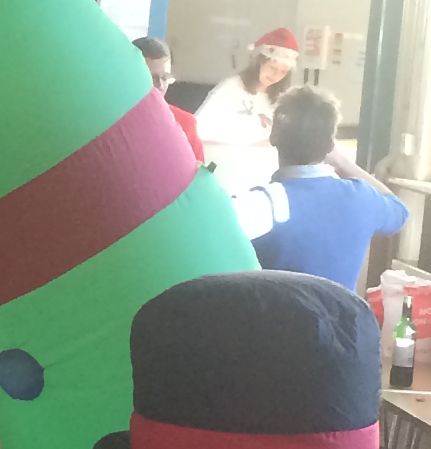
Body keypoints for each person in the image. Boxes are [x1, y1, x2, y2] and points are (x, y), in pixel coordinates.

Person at [232, 86, 411, 295]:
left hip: (276, 315)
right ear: (330, 145)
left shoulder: (258, 203)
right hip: (343, 316)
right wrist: (342, 162)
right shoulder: (362, 196)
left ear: (273, 136)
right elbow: (399, 210)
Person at [193, 25, 301, 192]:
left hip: (264, 181)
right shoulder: (230, 89)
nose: (275, 76)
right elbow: (197, 131)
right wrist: (250, 141)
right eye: (272, 68)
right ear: (258, 62)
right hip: (228, 178)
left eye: (282, 71)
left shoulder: (281, 99)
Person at [135, 35, 204, 162]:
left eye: (165, 77)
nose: (160, 86)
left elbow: (199, 172)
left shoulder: (185, 123)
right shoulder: (113, 121)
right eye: (152, 78)